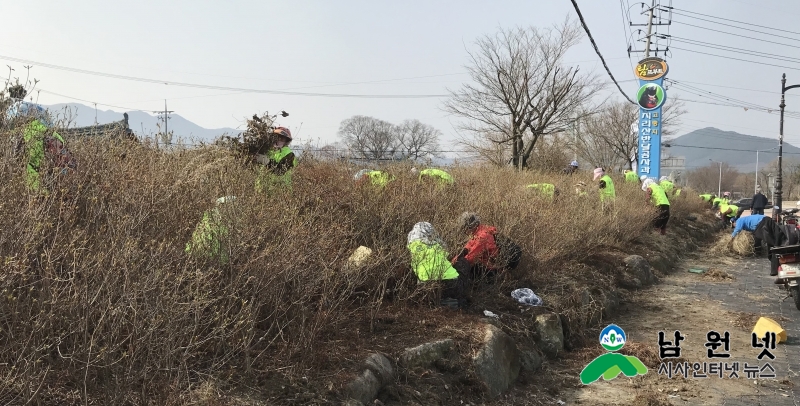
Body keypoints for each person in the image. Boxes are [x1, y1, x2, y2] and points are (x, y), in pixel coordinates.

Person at [5, 86, 76, 196]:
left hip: (31, 189)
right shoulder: (54, 135)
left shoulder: (20, 136)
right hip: (57, 189)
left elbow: (15, 162)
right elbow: (68, 164)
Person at [407, 222, 470, 308]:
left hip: (426, 285)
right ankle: (458, 300)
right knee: (463, 262)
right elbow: (448, 255)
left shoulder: (411, 245)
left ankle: (437, 301)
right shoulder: (437, 243)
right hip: (451, 283)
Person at [450, 212, 512, 282]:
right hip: (490, 262)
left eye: (465, 228)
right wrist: (456, 258)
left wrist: (454, 265)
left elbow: (470, 257)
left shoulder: (482, 237)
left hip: (493, 268)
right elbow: (469, 245)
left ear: (470, 227)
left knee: (471, 270)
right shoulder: (481, 229)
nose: (465, 231)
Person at [185, 196, 236, 264]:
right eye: (223, 206)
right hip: (209, 260)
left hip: (209, 260)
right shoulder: (209, 220)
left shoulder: (209, 218)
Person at [254, 126, 297, 194]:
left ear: (286, 141)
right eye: (276, 137)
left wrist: (267, 162)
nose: (278, 140)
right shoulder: (266, 150)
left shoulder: (289, 155)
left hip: (280, 193)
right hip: (261, 190)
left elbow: (280, 171)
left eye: (282, 138)